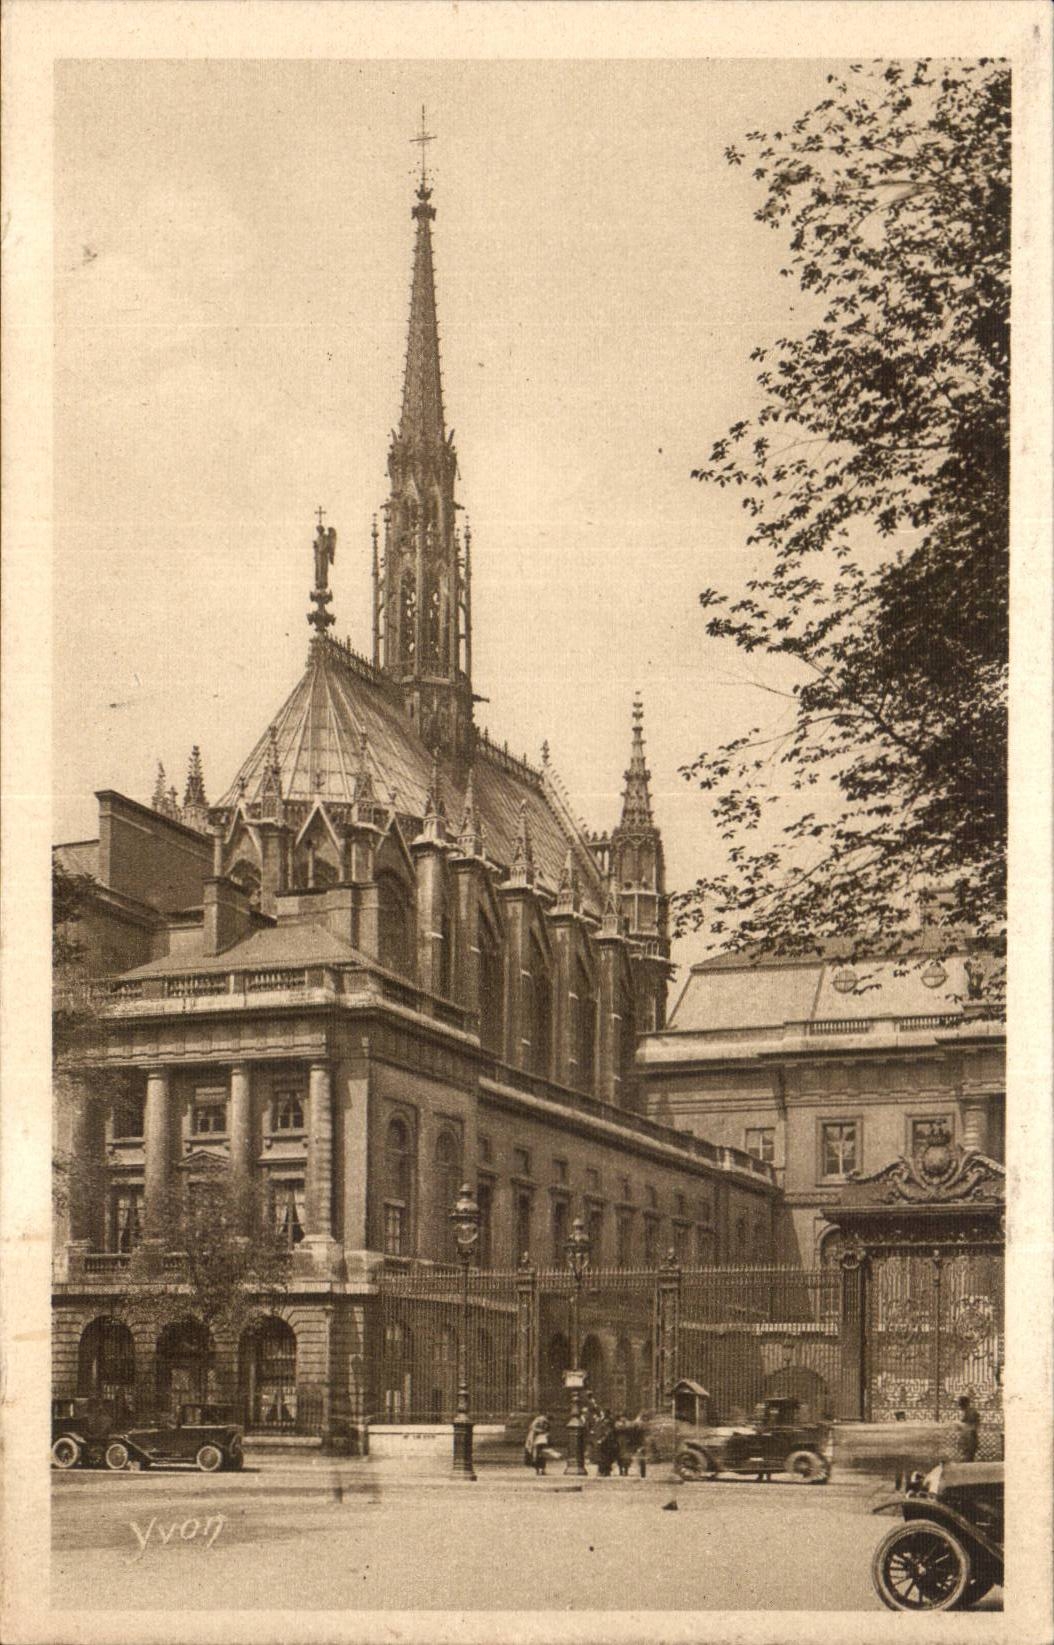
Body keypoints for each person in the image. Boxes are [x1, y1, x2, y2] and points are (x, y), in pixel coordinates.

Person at [955, 1393, 980, 1461]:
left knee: (968, 1457)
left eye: (960, 1404)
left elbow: (970, 1426)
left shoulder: (970, 1412)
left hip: (969, 1438)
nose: (959, 1407)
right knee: (968, 1456)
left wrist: (959, 1424)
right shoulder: (970, 1411)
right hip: (969, 1437)